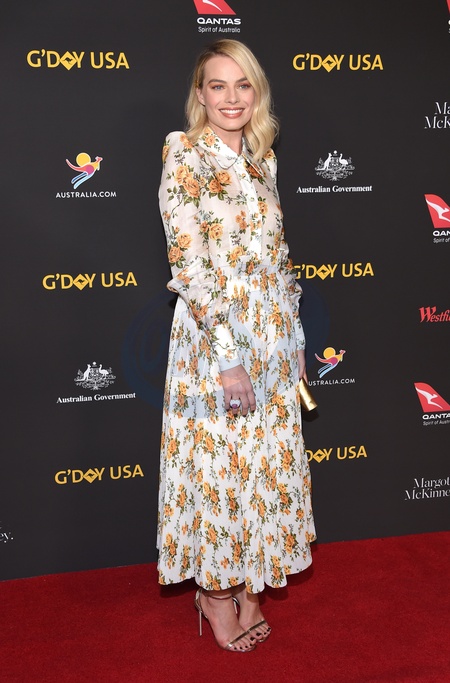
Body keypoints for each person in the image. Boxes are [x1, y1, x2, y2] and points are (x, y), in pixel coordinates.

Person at [157, 39, 315, 653]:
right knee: (219, 467)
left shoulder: (262, 159)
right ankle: (215, 594)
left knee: (264, 467)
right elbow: (190, 263)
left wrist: (294, 339)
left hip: (271, 333)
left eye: (242, 85)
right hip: (214, 337)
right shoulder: (184, 153)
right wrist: (227, 358)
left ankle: (253, 583)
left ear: (257, 93)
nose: (231, 98)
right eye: (218, 86)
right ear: (200, 95)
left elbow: (279, 260)